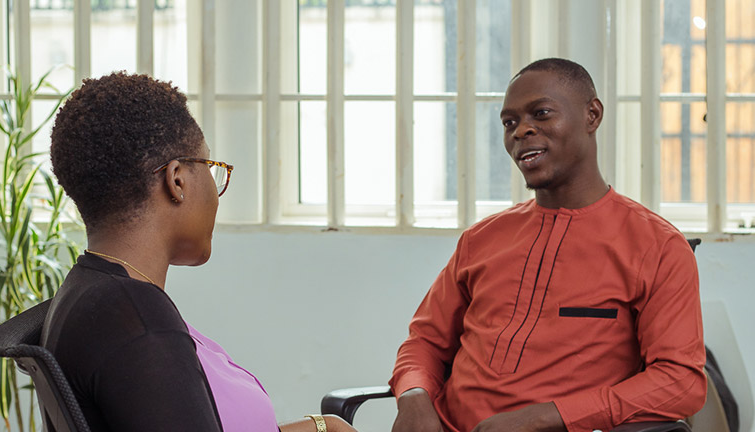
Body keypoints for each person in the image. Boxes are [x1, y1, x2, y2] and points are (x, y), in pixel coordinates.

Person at [388, 58, 707, 432]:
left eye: (540, 114)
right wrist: (412, 396)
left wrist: (546, 417)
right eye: (509, 123)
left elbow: (680, 382)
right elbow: (424, 340)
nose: (521, 131)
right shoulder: (481, 239)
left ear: (592, 115)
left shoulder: (657, 247)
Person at [41, 72, 356, 432]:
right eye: (210, 167)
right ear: (176, 180)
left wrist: (320, 426)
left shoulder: (93, 291)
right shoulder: (138, 323)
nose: (215, 187)